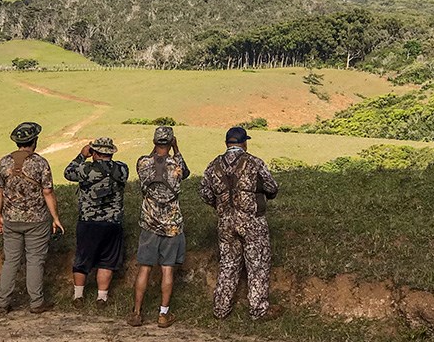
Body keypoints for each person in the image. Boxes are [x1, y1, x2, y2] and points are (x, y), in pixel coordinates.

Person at [199, 126, 281, 320]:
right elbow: (272, 188)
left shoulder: (213, 166)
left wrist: (221, 206)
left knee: (228, 264)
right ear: (244, 143)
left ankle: (220, 309)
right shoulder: (254, 162)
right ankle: (258, 310)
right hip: (252, 221)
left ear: (227, 143)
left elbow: (204, 193)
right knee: (257, 265)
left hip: (225, 222)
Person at [0, 121, 65, 314]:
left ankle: (3, 303)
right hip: (37, 220)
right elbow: (48, 192)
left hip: (10, 218)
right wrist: (55, 217)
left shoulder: (4, 162)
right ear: (35, 141)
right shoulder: (40, 163)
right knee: (35, 260)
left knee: (11, 261)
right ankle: (36, 302)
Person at [127, 126, 190, 328]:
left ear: (154, 142)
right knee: (167, 270)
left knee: (144, 268)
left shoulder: (142, 162)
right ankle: (163, 314)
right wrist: (177, 149)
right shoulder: (176, 163)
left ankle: (137, 312)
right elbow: (185, 173)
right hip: (171, 225)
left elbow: (151, 163)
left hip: (149, 223)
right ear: (171, 142)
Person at [63, 136, 129, 310]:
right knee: (107, 260)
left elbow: (68, 172)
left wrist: (82, 155)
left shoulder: (85, 169)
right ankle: (102, 297)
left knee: (82, 258)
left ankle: (78, 295)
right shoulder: (122, 169)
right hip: (113, 222)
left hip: (88, 221)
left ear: (95, 153)